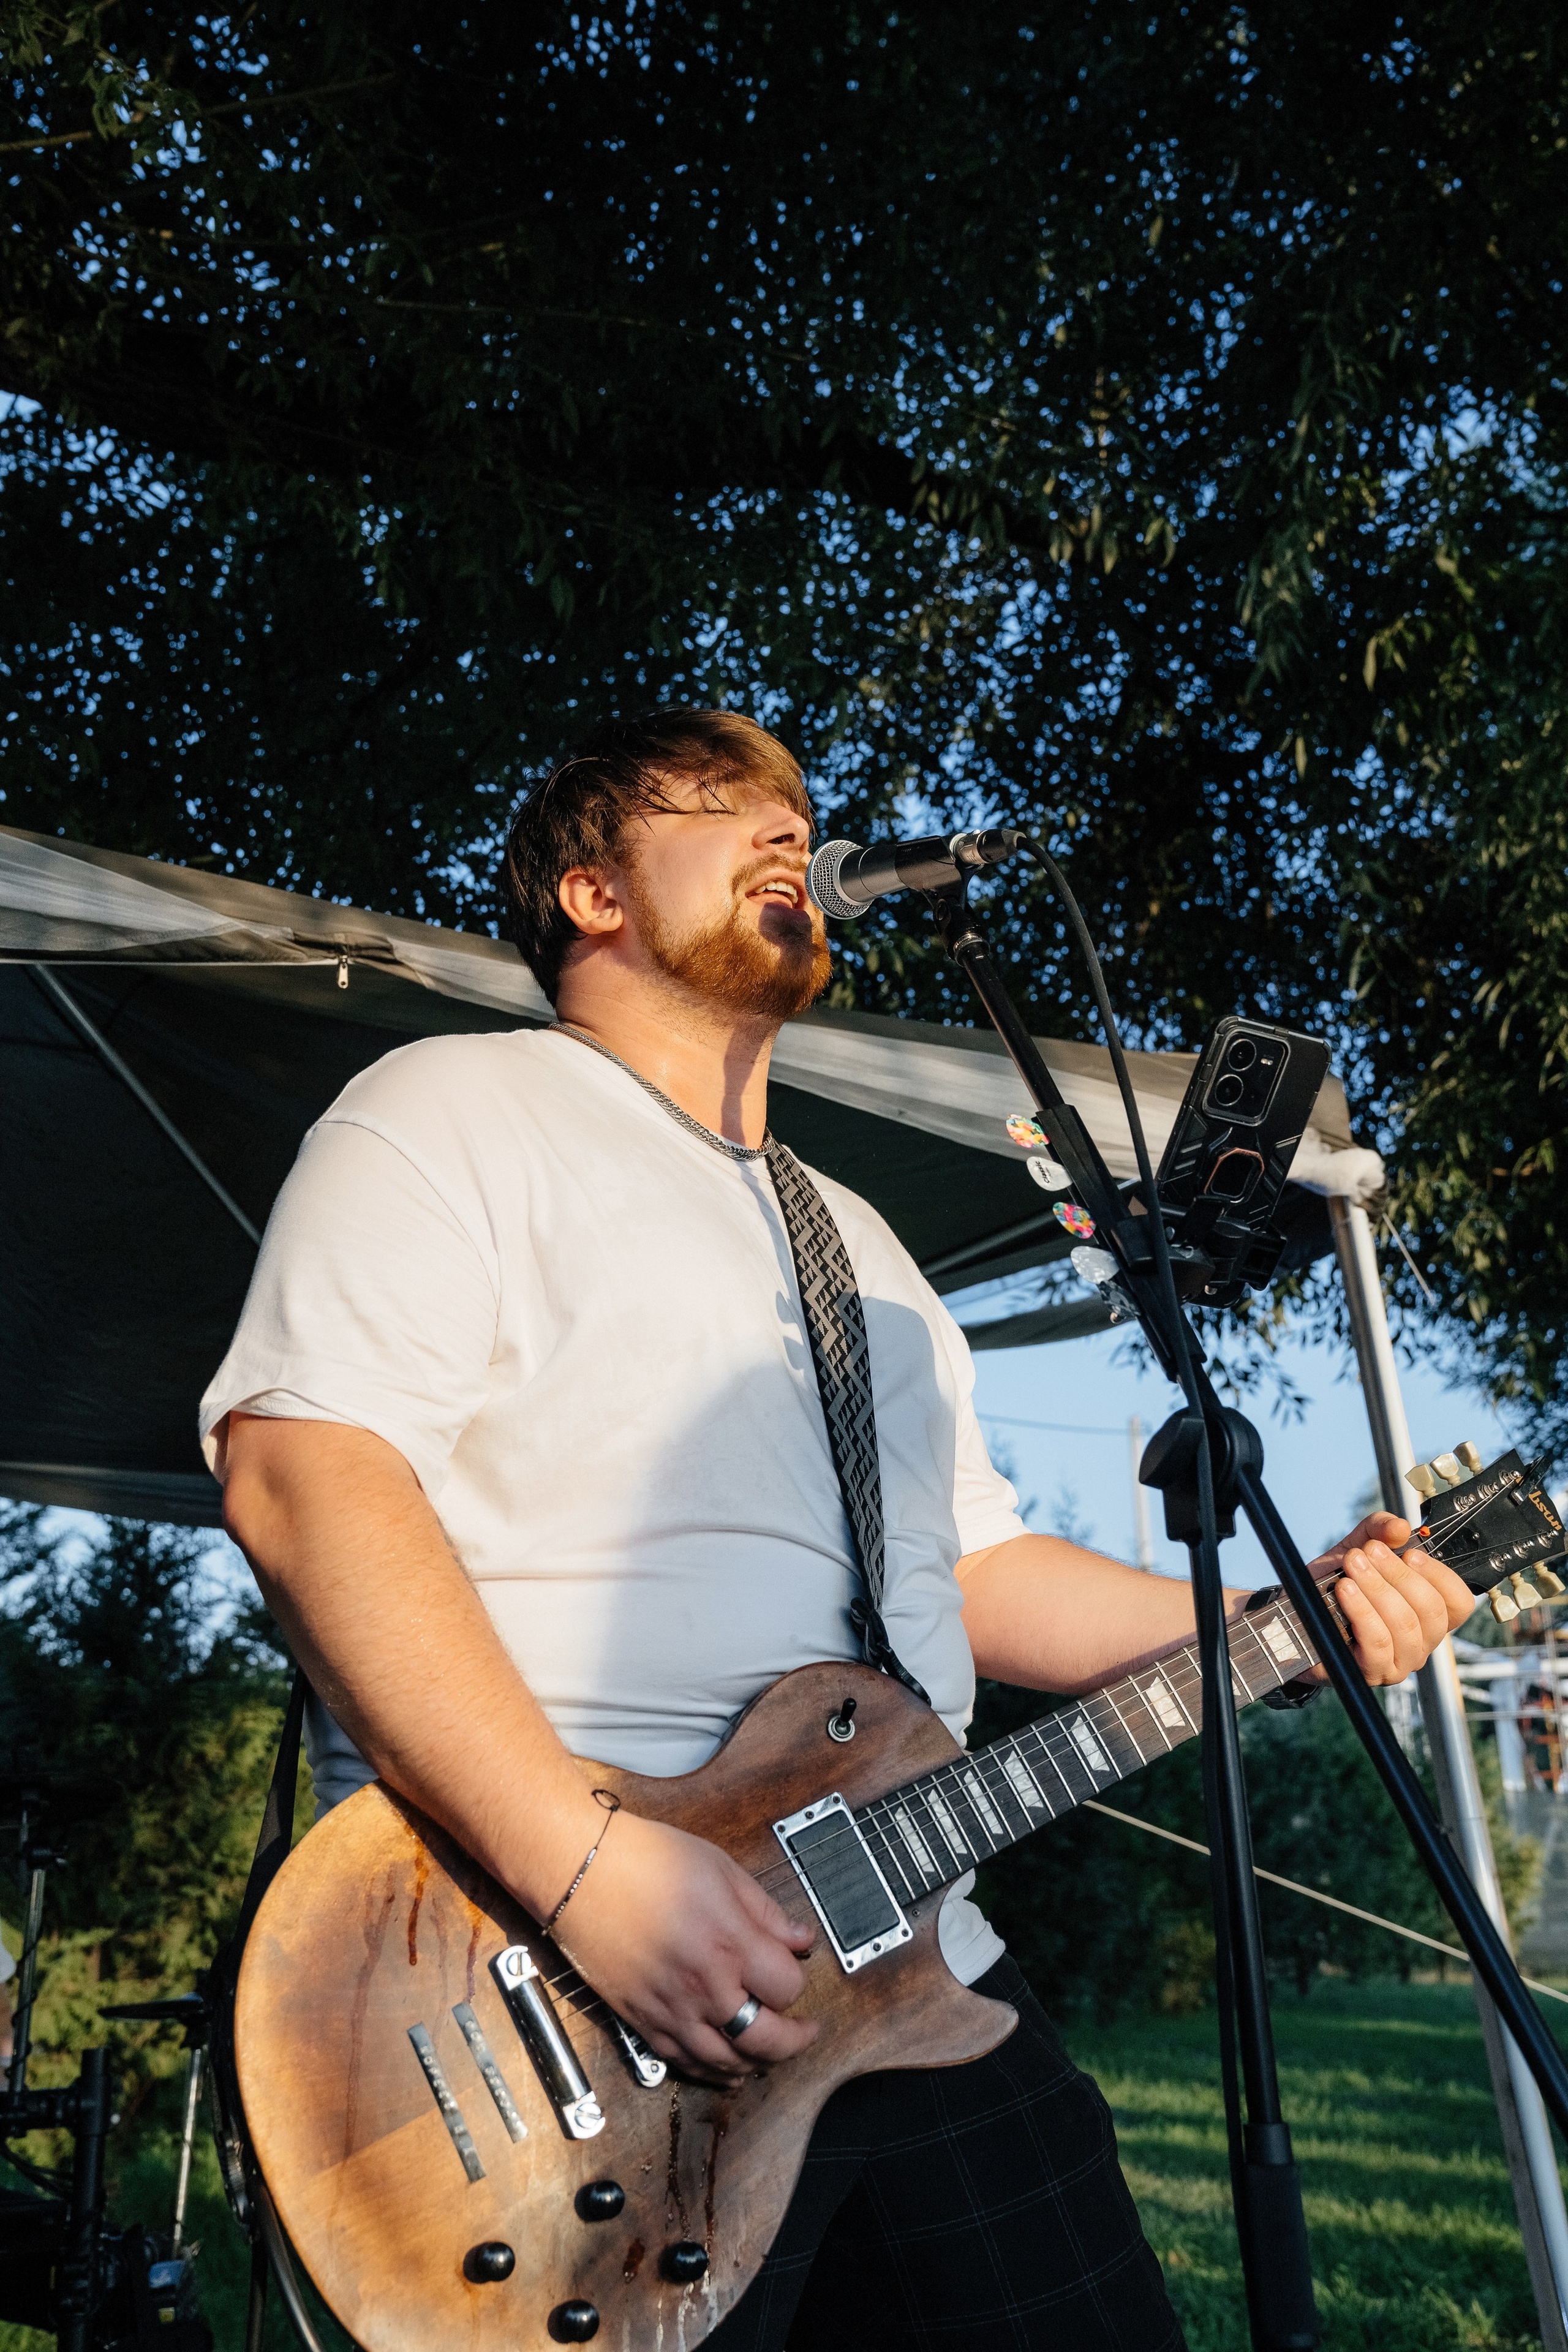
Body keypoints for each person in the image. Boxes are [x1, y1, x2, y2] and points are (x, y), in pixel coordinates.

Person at [205, 709, 1472, 2351]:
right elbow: (305, 1477)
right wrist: (589, 1875)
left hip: (913, 1962)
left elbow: (978, 1575)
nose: (791, 832)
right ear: (590, 891)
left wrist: (1285, 1628)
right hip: (571, 1977)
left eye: (801, 810)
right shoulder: (451, 1112)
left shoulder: (858, 1242)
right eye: (728, 806)